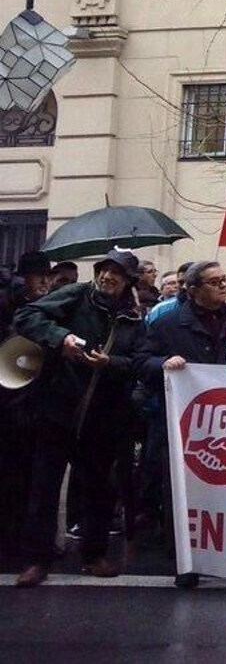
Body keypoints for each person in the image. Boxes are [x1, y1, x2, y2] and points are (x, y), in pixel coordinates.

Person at [135, 260, 226, 588]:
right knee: (183, 492)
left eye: (225, 279)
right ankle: (187, 562)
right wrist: (163, 364)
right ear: (194, 289)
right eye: (214, 282)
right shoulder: (168, 324)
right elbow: (141, 362)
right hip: (186, 426)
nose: (223, 286)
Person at [11, 250, 147, 587]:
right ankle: (37, 560)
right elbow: (27, 316)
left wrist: (109, 364)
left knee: (99, 488)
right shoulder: (76, 294)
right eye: (104, 270)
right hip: (58, 407)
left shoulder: (134, 318)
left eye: (116, 274)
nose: (107, 278)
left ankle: (94, 554)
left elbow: (136, 362)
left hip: (102, 415)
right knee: (44, 487)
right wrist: (62, 339)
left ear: (128, 280)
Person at [0, 251, 52, 558]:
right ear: (25, 276)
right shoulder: (8, 303)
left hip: (35, 402)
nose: (45, 281)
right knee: (12, 473)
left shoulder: (45, 305)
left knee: (33, 476)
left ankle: (26, 537)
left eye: (47, 275)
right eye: (39, 276)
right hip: (10, 402)